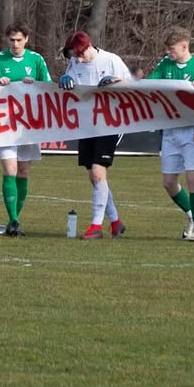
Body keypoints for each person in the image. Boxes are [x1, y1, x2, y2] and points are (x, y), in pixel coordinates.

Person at [0, 21, 51, 237]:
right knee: (9, 170)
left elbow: (48, 85)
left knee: (24, 171)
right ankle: (14, 220)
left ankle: (13, 220)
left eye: (19, 39)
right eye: (12, 40)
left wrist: (35, 83)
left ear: (26, 39)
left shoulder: (36, 60)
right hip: (5, 124)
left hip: (28, 126)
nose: (16, 43)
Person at [58, 31, 131, 240]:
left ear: (89, 46)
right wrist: (65, 80)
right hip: (87, 122)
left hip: (110, 121)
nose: (78, 60)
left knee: (99, 172)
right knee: (94, 175)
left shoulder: (111, 60)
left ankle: (96, 226)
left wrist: (117, 81)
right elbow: (70, 83)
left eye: (80, 55)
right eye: (74, 57)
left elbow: (134, 84)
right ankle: (115, 222)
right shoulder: (74, 62)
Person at [145, 26, 194, 241]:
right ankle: (192, 216)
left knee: (192, 177)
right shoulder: (166, 64)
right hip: (171, 130)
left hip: (193, 131)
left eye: (172, 49)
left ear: (185, 46)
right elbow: (151, 83)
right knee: (169, 182)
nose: (168, 53)